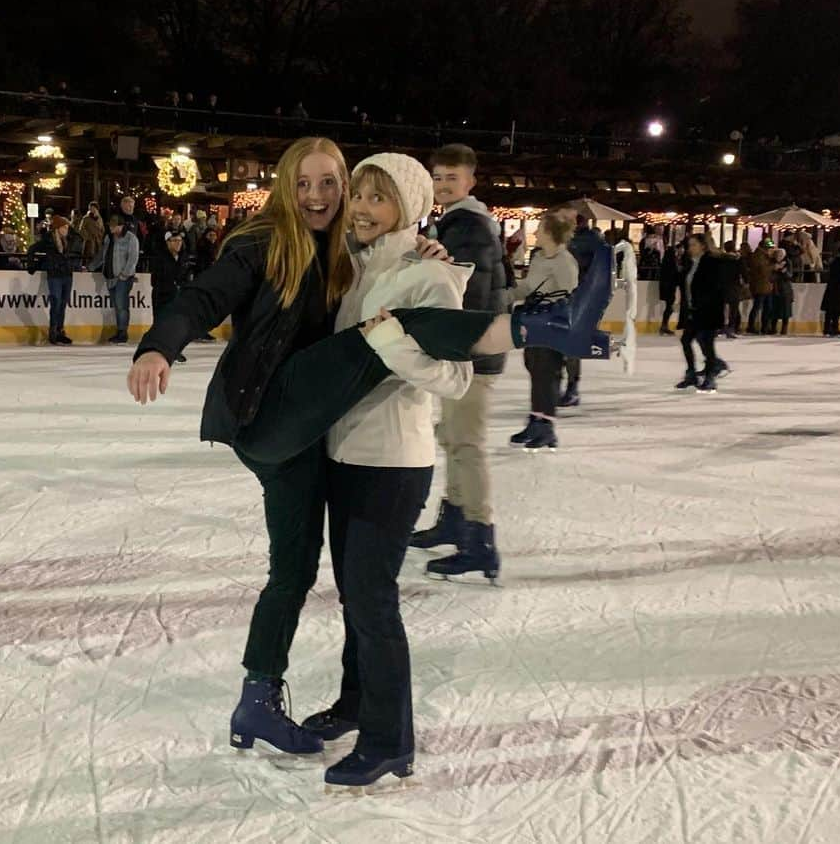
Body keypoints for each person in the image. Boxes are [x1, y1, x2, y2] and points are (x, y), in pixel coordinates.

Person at [125, 137, 618, 765]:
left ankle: (260, 699)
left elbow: (405, 284)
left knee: (297, 571)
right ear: (283, 185)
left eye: (334, 183)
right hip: (270, 415)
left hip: (318, 437)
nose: (323, 197)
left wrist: (425, 250)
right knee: (375, 335)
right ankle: (537, 325)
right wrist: (158, 345)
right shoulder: (263, 241)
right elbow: (203, 298)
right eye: (308, 184)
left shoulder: (349, 253)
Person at [304, 153, 472, 789]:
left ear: (408, 203)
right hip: (346, 455)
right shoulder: (361, 263)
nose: (366, 209)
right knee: (354, 594)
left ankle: (390, 741)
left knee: (373, 601)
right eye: (362, 196)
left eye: (381, 198)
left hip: (394, 462)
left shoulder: (432, 276)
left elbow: (455, 378)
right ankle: (355, 705)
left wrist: (391, 342)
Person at [409, 144, 507, 581]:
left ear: (470, 180)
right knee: (452, 437)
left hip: (474, 352)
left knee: (466, 444)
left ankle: (480, 540)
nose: (443, 184)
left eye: (452, 177)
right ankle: (453, 518)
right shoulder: (457, 222)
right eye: (438, 177)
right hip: (468, 349)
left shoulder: (469, 227)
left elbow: (464, 291)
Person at [507, 209, 579, 452]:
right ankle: (535, 420)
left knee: (548, 373)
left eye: (539, 228)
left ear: (550, 233)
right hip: (533, 321)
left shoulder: (565, 261)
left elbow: (569, 294)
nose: (535, 232)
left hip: (552, 324)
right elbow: (528, 286)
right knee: (535, 370)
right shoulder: (538, 258)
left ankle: (547, 427)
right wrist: (506, 294)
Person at [559, 213, 606, 406]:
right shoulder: (566, 236)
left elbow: (599, 268)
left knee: (570, 343)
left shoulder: (592, 240)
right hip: (561, 293)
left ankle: (572, 387)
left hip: (579, 295)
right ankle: (559, 384)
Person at [676, 233, 725, 393]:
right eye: (689, 245)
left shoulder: (711, 263)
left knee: (707, 344)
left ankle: (710, 377)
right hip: (693, 311)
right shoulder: (691, 263)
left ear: (703, 246)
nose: (690, 248)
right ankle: (691, 374)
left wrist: (704, 305)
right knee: (686, 340)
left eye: (693, 245)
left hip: (708, 311)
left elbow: (715, 289)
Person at [89, 213, 139, 344]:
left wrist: (125, 274)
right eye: (110, 225)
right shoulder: (109, 238)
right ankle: (120, 331)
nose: (111, 228)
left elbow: (133, 258)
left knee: (121, 305)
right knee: (117, 306)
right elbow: (102, 254)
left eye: (114, 226)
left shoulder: (130, 238)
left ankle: (122, 333)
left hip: (123, 278)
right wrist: (92, 266)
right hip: (110, 277)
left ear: (121, 226)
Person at [27, 215, 77, 345]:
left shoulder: (68, 240)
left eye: (67, 227)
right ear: (58, 228)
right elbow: (32, 249)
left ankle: (60, 331)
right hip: (54, 275)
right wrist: (31, 264)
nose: (67, 229)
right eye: (64, 227)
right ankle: (53, 332)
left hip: (67, 275)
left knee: (63, 304)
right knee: (56, 302)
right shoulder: (48, 240)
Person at [150, 230, 192, 362]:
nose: (178, 244)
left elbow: (185, 276)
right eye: (175, 241)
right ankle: (158, 350)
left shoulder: (184, 257)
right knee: (161, 324)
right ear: (168, 242)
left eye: (180, 241)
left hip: (178, 297)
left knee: (177, 326)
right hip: (162, 296)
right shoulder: (160, 257)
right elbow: (156, 279)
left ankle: (175, 351)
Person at [747, 239, 775, 334]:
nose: (770, 250)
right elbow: (763, 270)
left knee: (767, 308)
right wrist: (773, 267)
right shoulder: (758, 256)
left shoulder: (764, 256)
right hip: (760, 286)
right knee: (757, 307)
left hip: (765, 286)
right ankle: (751, 326)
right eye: (769, 248)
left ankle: (765, 327)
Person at [720, 241, 744, 339]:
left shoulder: (721, 259)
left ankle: (721, 327)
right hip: (734, 286)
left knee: (722, 308)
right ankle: (731, 328)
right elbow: (743, 272)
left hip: (722, 286)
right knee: (733, 309)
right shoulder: (738, 259)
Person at [658, 241, 682, 335]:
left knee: (669, 307)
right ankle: (664, 326)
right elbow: (675, 274)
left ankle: (664, 326)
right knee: (669, 307)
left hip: (667, 287)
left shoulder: (666, 262)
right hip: (669, 288)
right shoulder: (671, 263)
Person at [770, 248, 794, 336]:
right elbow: (770, 277)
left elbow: (790, 275)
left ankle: (784, 329)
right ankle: (773, 328)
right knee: (774, 311)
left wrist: (782, 270)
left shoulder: (788, 263)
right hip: (775, 290)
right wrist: (775, 269)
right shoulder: (772, 263)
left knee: (786, 311)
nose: (778, 257)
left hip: (785, 290)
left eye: (780, 255)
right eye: (777, 255)